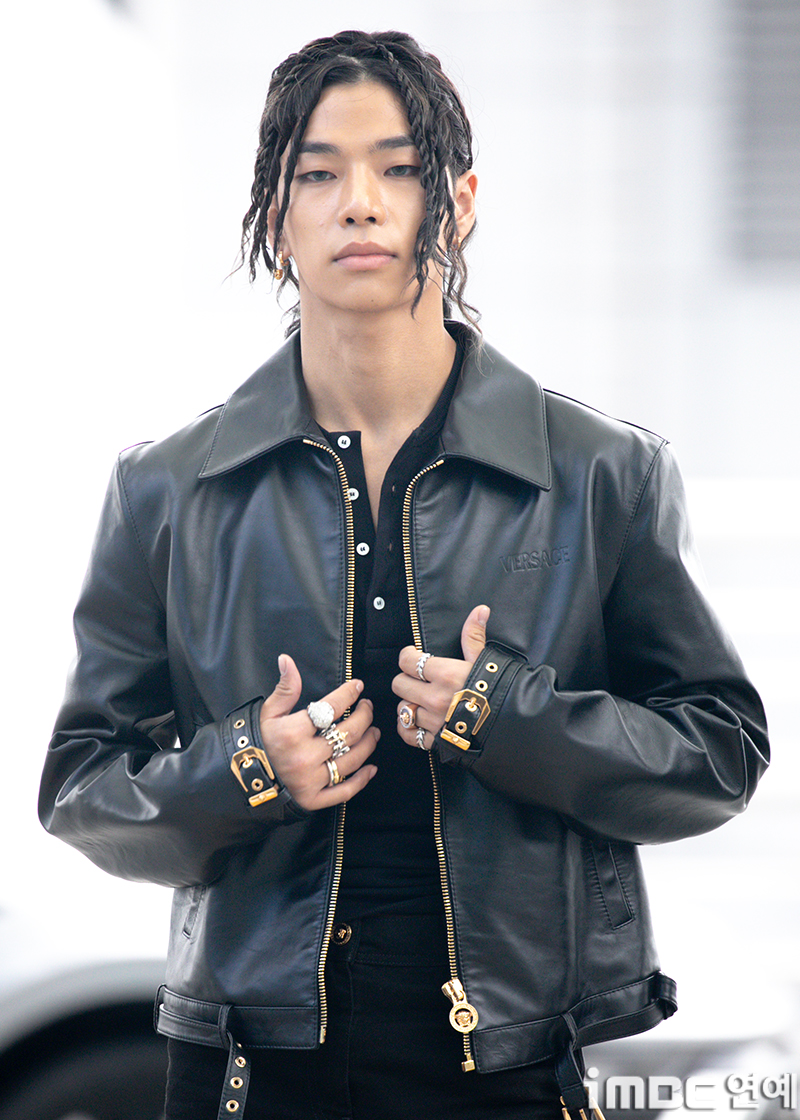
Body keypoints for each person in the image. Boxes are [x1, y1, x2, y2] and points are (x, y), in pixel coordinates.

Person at [39, 29, 769, 1120]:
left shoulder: (599, 475)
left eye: (400, 169)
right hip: (249, 1069)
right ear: (275, 217)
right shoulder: (168, 489)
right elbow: (81, 787)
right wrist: (248, 768)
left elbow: (718, 751)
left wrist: (509, 717)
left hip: (509, 1066)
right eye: (317, 175)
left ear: (458, 204)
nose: (360, 204)